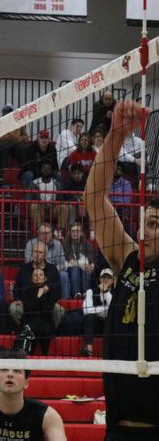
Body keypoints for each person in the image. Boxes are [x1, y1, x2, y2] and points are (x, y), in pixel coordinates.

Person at [84, 100, 159, 440]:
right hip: (119, 429)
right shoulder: (128, 255)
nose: (146, 231)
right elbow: (94, 200)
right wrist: (115, 135)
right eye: (147, 223)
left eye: (156, 225)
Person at [0, 350, 66, 441]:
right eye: (4, 369)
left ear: (26, 383)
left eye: (17, 370)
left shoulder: (48, 416)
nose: (10, 374)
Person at [10, 241, 64, 332]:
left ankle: (49, 332)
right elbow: (17, 287)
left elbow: (57, 289)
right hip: (27, 303)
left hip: (47, 304)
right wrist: (17, 299)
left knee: (59, 310)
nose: (37, 254)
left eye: (40, 252)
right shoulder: (24, 268)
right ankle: (25, 331)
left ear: (46, 254)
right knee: (13, 308)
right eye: (35, 252)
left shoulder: (52, 269)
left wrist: (49, 294)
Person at [81, 268, 114, 357]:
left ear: (112, 280)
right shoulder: (90, 291)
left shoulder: (116, 293)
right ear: (100, 279)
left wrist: (106, 292)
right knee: (89, 317)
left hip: (110, 325)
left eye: (108, 277)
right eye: (103, 277)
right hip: (95, 326)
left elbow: (113, 311)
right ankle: (89, 350)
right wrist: (105, 308)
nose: (106, 280)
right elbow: (87, 310)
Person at [62, 222, 95, 299]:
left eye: (77, 231)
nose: (75, 233)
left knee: (87, 270)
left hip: (84, 266)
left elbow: (91, 257)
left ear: (81, 233)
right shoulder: (66, 243)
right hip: (71, 267)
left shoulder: (86, 243)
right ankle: (76, 294)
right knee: (75, 269)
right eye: (72, 231)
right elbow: (69, 258)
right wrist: (81, 265)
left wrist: (92, 265)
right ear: (70, 232)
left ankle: (86, 294)